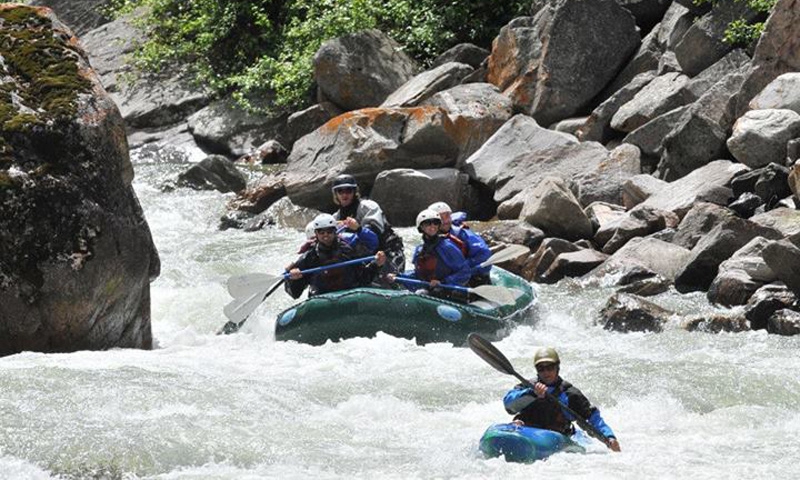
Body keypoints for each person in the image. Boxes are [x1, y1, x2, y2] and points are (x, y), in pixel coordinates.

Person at [503, 347, 621, 452]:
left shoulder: (570, 394)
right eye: (541, 368)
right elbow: (508, 405)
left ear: (557, 367)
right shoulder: (527, 386)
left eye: (550, 367)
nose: (546, 372)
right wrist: (531, 393)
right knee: (518, 421)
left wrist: (609, 437)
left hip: (556, 436)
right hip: (527, 432)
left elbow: (592, 418)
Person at [285, 213, 386, 299]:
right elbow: (295, 294)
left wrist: (376, 264)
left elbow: (364, 278)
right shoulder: (309, 257)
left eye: (329, 231)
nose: (326, 235)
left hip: (350, 297)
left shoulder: (348, 250)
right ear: (316, 233)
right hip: (321, 301)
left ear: (335, 231)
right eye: (321, 232)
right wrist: (293, 280)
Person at [331, 174, 405, 272]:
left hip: (388, 253)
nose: (344, 195)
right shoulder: (335, 217)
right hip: (361, 256)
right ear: (336, 194)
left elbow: (374, 237)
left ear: (354, 192)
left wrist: (358, 228)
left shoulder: (368, 206)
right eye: (340, 191)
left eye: (348, 190)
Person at [391, 209, 470, 299]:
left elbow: (465, 272)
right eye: (428, 223)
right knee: (418, 292)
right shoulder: (420, 250)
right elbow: (418, 275)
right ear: (421, 227)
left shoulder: (447, 247)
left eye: (436, 223)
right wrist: (398, 277)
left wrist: (443, 282)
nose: (432, 226)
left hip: (449, 290)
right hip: (431, 290)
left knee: (422, 293)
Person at [428, 201, 492, 286]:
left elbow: (484, 255)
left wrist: (460, 269)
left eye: (447, 216)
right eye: (441, 218)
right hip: (444, 280)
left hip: (471, 280)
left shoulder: (463, 234)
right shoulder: (429, 240)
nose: (445, 221)